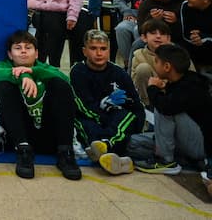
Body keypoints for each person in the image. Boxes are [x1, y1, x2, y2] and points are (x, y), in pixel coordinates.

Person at [0, 30, 83, 179]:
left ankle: (65, 152)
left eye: (28, 48)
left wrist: (32, 71)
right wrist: (24, 76)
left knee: (60, 84)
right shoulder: (3, 66)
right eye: (18, 48)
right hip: (19, 135)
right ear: (10, 54)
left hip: (49, 134)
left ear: (36, 53)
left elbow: (65, 79)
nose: (23, 51)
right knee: (4, 86)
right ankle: (23, 151)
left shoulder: (44, 68)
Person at [128, 43, 212, 177]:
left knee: (162, 107)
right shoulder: (179, 81)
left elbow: (165, 107)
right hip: (185, 140)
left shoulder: (191, 85)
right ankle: (183, 159)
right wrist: (164, 89)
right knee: (132, 142)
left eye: (156, 61)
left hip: (202, 144)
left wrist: (153, 88)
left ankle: (166, 161)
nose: (154, 65)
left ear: (167, 67)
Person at [70, 29, 145, 166]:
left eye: (103, 49)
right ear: (84, 51)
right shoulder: (78, 71)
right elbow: (84, 107)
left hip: (116, 120)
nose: (99, 53)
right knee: (83, 123)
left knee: (127, 117)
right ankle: (113, 154)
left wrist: (135, 126)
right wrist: (107, 117)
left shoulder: (119, 73)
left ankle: (106, 148)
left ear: (109, 51)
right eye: (93, 48)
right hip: (91, 118)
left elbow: (136, 107)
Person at [131, 18, 186, 106]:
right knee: (142, 68)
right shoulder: (138, 55)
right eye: (153, 33)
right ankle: (147, 107)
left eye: (162, 34)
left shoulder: (178, 54)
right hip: (148, 97)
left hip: (174, 98)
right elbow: (134, 81)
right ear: (144, 37)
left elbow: (190, 77)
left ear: (168, 38)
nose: (158, 36)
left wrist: (163, 84)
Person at [180, 0, 212, 70]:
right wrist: (195, 37)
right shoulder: (186, 6)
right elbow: (186, 34)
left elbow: (205, 38)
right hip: (192, 50)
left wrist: (204, 38)